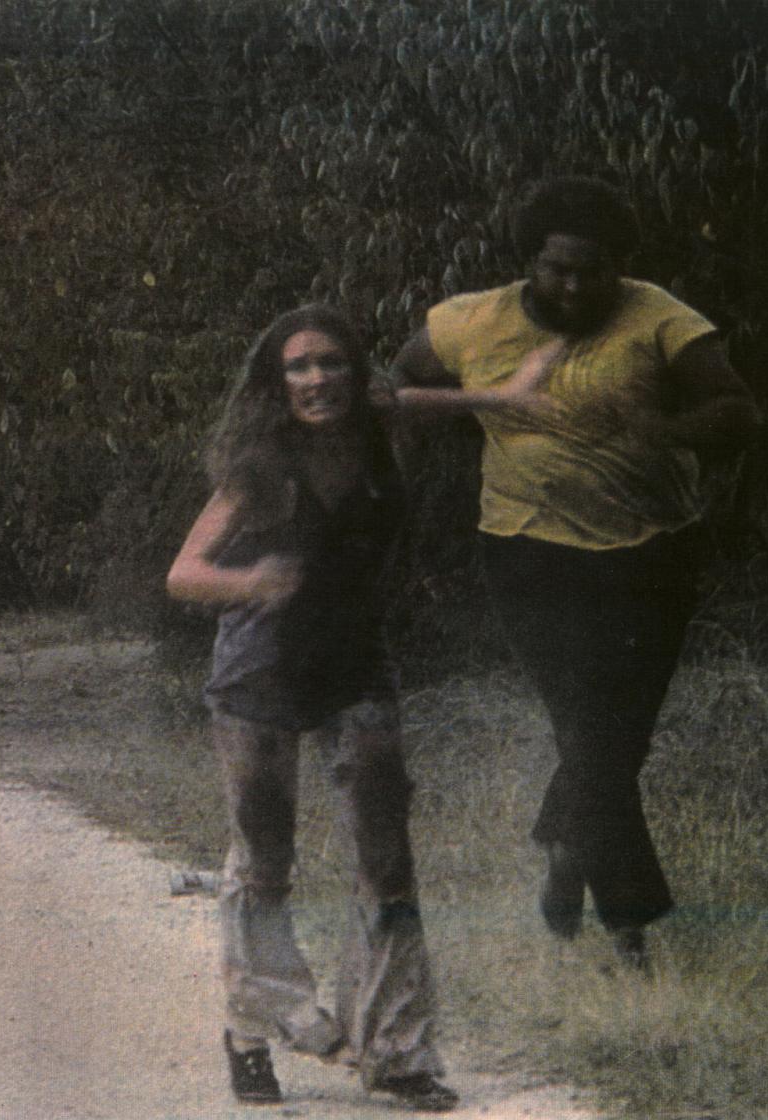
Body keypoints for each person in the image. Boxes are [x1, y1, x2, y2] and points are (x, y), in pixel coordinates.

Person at [388, 176, 758, 969]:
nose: (576, 287)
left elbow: (736, 411)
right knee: (587, 731)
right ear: (529, 261)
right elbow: (398, 387)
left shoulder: (660, 317)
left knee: (617, 737)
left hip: (651, 551)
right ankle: (631, 930)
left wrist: (664, 430)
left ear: (619, 266)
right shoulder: (471, 320)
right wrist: (482, 411)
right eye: (559, 269)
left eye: (595, 271)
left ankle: (564, 841)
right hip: (527, 551)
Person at [166, 304, 520, 1111]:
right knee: (263, 860)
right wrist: (249, 582)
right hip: (259, 674)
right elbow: (183, 573)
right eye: (298, 366)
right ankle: (255, 1029)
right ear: (276, 381)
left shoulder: (378, 429)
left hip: (356, 669)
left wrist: (509, 397)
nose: (317, 378)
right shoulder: (259, 467)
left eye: (331, 362)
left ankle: (396, 1052)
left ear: (358, 374)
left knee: (387, 860)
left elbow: (428, 400)